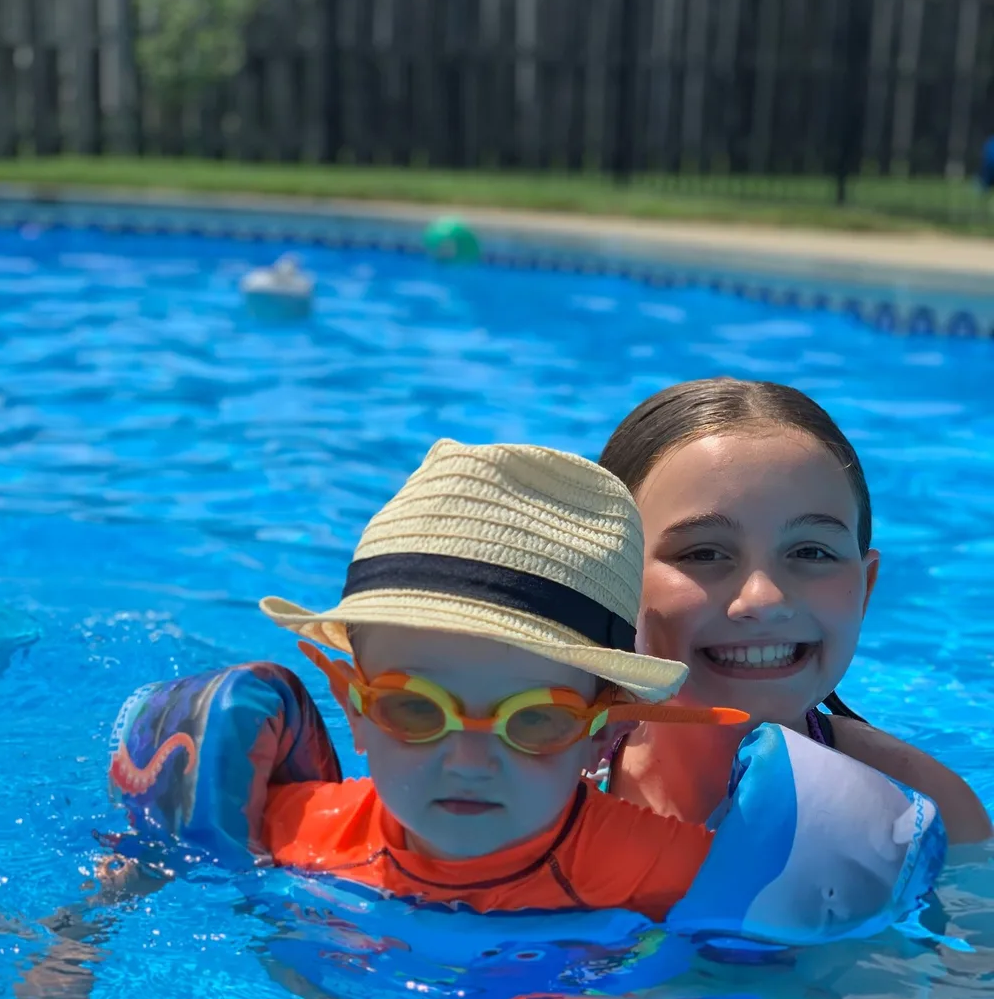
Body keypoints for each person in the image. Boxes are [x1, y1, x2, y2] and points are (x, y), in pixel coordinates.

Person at [256, 436, 742, 911]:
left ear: (603, 731)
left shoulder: (675, 875)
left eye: (534, 719)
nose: (470, 762)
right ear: (355, 711)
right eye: (415, 707)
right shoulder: (280, 830)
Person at [598, 378, 992, 845]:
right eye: (703, 554)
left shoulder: (925, 812)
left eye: (811, 553)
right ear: (611, 585)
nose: (764, 600)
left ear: (865, 589)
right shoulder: (531, 787)